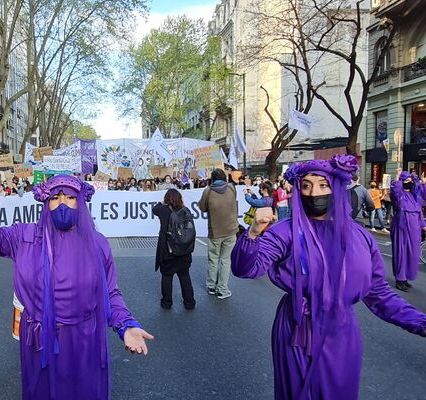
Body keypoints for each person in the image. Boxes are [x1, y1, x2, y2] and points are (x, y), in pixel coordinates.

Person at [231, 155, 426, 400]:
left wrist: (420, 323)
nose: (314, 193)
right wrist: (253, 233)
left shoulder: (360, 237)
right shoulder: (286, 231)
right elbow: (245, 269)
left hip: (342, 334)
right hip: (296, 331)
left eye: (323, 185)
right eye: (306, 186)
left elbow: (379, 294)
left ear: (336, 187)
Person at [0, 172, 153, 400]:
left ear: (81, 202)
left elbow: (110, 292)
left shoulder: (97, 244)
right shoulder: (23, 237)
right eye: (55, 198)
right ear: (45, 203)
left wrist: (126, 324)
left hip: (84, 341)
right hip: (40, 342)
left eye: (70, 197)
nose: (62, 204)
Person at [152, 189, 196, 310]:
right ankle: (189, 302)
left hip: (168, 250)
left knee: (167, 276)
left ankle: (167, 302)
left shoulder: (163, 210)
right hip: (184, 250)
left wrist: (162, 202)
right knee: (184, 276)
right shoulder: (186, 210)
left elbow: (154, 209)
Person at [199, 168, 239, 299]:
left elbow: (202, 208)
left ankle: (211, 286)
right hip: (231, 229)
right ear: (224, 177)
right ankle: (222, 289)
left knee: (213, 259)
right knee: (226, 260)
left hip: (215, 231)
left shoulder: (208, 191)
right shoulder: (232, 188)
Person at [390, 169, 426, 291]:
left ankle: (406, 277)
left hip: (415, 229)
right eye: (406, 180)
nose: (409, 182)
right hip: (401, 227)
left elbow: (419, 211)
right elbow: (395, 189)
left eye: (411, 180)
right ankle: (400, 279)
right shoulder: (399, 195)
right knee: (401, 252)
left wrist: (423, 225)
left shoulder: (415, 196)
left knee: (413, 253)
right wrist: (398, 177)